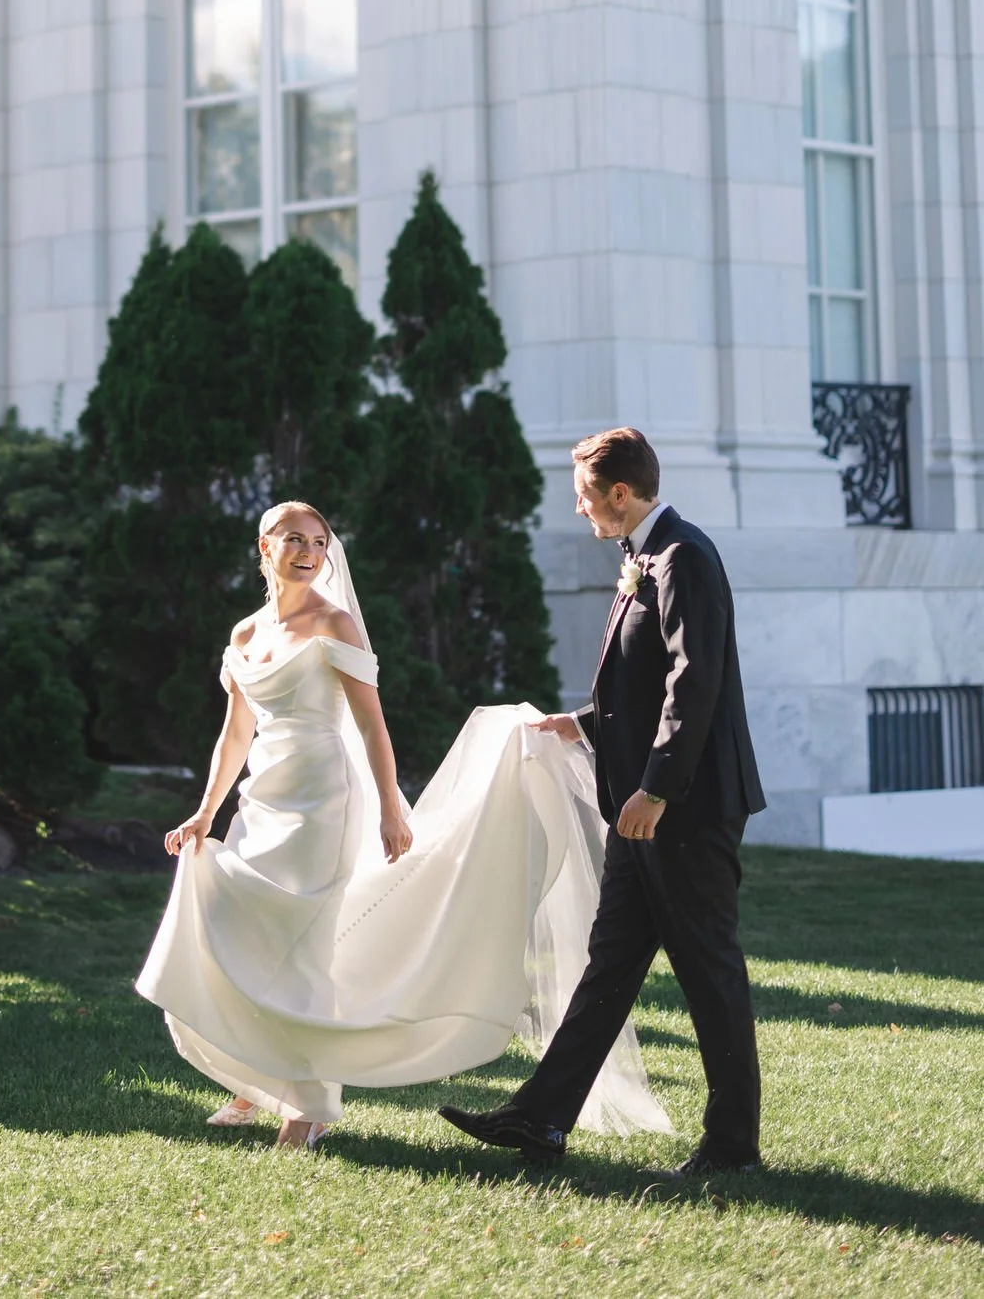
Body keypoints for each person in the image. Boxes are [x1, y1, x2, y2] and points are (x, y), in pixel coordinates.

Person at [135, 498, 671, 1151]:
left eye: (319, 541)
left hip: (320, 806)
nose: (309, 550)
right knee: (241, 927)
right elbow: (236, 731)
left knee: (301, 949)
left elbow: (370, 723)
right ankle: (261, 1076)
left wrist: (390, 806)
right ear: (263, 547)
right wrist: (205, 813)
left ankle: (308, 1107)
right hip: (263, 800)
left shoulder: (335, 624)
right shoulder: (246, 635)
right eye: (293, 538)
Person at [440, 426, 766, 1176]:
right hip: (640, 807)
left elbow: (695, 682)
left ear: (621, 493)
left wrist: (657, 786)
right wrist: (580, 724)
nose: (581, 513)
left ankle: (731, 1146)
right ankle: (540, 1118)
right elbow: (644, 684)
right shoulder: (642, 558)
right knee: (610, 963)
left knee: (708, 968)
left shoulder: (684, 557)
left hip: (681, 808)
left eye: (585, 499)